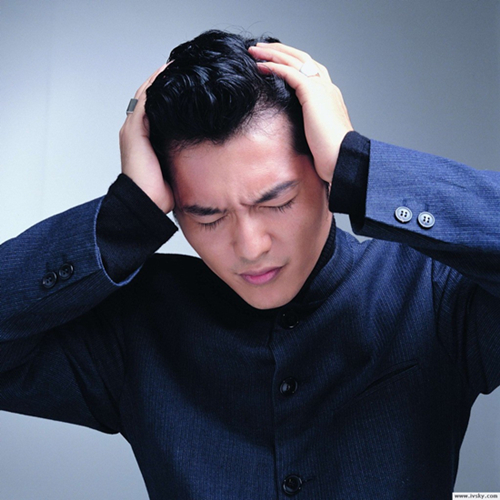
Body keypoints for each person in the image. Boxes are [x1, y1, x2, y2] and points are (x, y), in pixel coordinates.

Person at [0, 29, 499, 499]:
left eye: (277, 202)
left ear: (325, 174)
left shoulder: (431, 290)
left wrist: (361, 165)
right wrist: (124, 217)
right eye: (209, 217)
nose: (250, 246)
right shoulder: (138, 324)